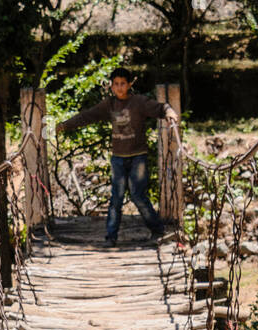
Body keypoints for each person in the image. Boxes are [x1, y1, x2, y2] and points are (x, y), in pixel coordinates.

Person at [57, 66, 179, 248]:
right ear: (112, 86)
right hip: (118, 158)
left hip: (138, 156)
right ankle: (110, 237)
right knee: (116, 198)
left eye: (123, 83)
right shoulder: (109, 104)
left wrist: (169, 112)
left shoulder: (138, 102)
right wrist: (65, 125)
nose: (120, 87)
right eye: (116, 84)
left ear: (130, 84)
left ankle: (157, 230)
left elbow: (161, 108)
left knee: (138, 196)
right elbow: (88, 116)